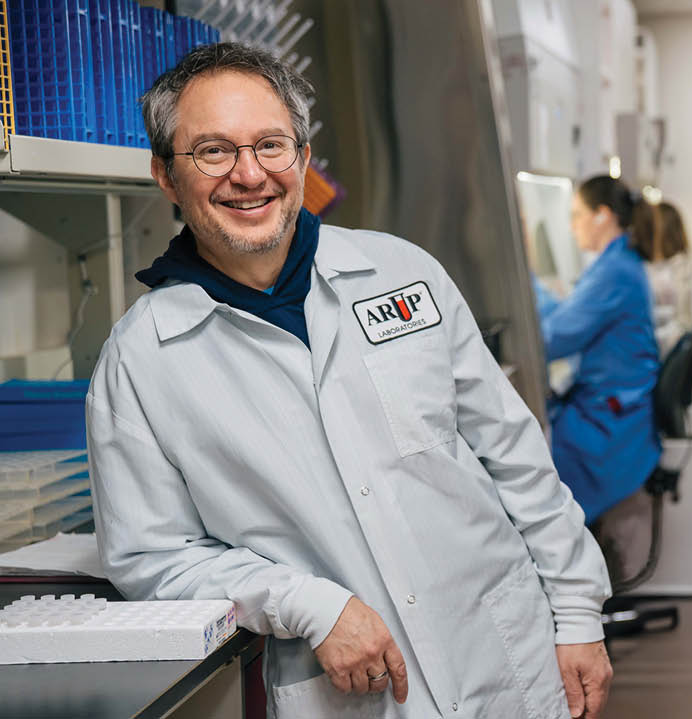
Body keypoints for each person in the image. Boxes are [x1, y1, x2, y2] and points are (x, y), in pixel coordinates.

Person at [86, 43, 612, 719]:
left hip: (504, 659)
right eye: (213, 151)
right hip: (346, 693)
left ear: (302, 157)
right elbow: (152, 557)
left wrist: (576, 613)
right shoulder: (141, 359)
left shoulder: (402, 275)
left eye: (270, 144)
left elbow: (514, 456)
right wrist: (309, 602)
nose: (249, 174)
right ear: (164, 174)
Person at [538, 176, 661, 524]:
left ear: (602, 215)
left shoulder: (614, 272)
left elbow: (554, 339)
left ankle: (568, 573)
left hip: (609, 423)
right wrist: (526, 283)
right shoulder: (615, 263)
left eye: (577, 215)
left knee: (533, 479)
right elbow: (565, 320)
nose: (572, 226)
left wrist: (526, 284)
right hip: (611, 410)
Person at [644, 201, 692, 355]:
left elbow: (680, 312)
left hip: (673, 345)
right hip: (667, 345)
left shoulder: (681, 265)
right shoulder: (651, 265)